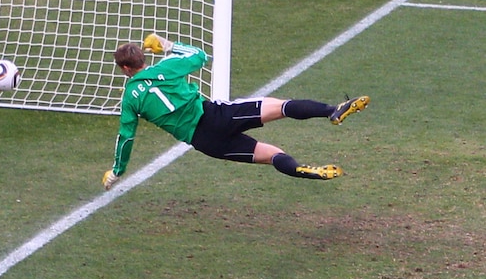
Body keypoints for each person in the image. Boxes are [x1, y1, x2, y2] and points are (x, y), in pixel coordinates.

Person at [101, 33, 370, 190]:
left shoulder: (129, 100)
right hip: (215, 115)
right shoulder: (166, 68)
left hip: (204, 141)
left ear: (125, 69)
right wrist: (167, 45)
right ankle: (332, 111)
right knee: (281, 107)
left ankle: (301, 169)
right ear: (143, 59)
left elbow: (126, 137)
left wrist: (117, 171)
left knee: (271, 154)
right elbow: (199, 55)